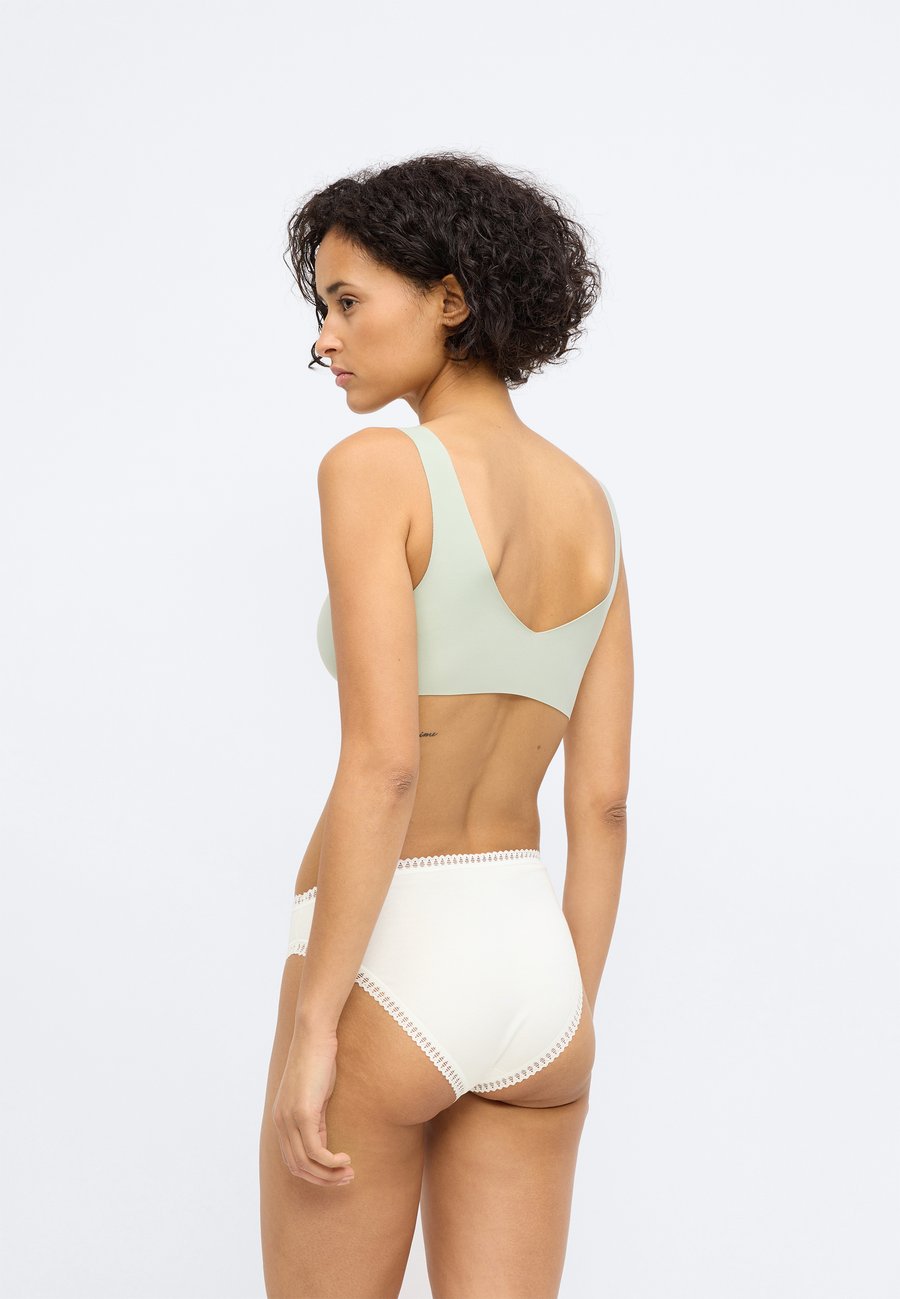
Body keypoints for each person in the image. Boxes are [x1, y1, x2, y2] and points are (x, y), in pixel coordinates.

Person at [259, 151, 633, 1299]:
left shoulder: (377, 468)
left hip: (390, 959)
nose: (323, 338)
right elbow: (604, 804)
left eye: (346, 302)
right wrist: (565, 1008)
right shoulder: (588, 505)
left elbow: (383, 770)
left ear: (453, 299)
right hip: (535, 967)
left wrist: (319, 1025)